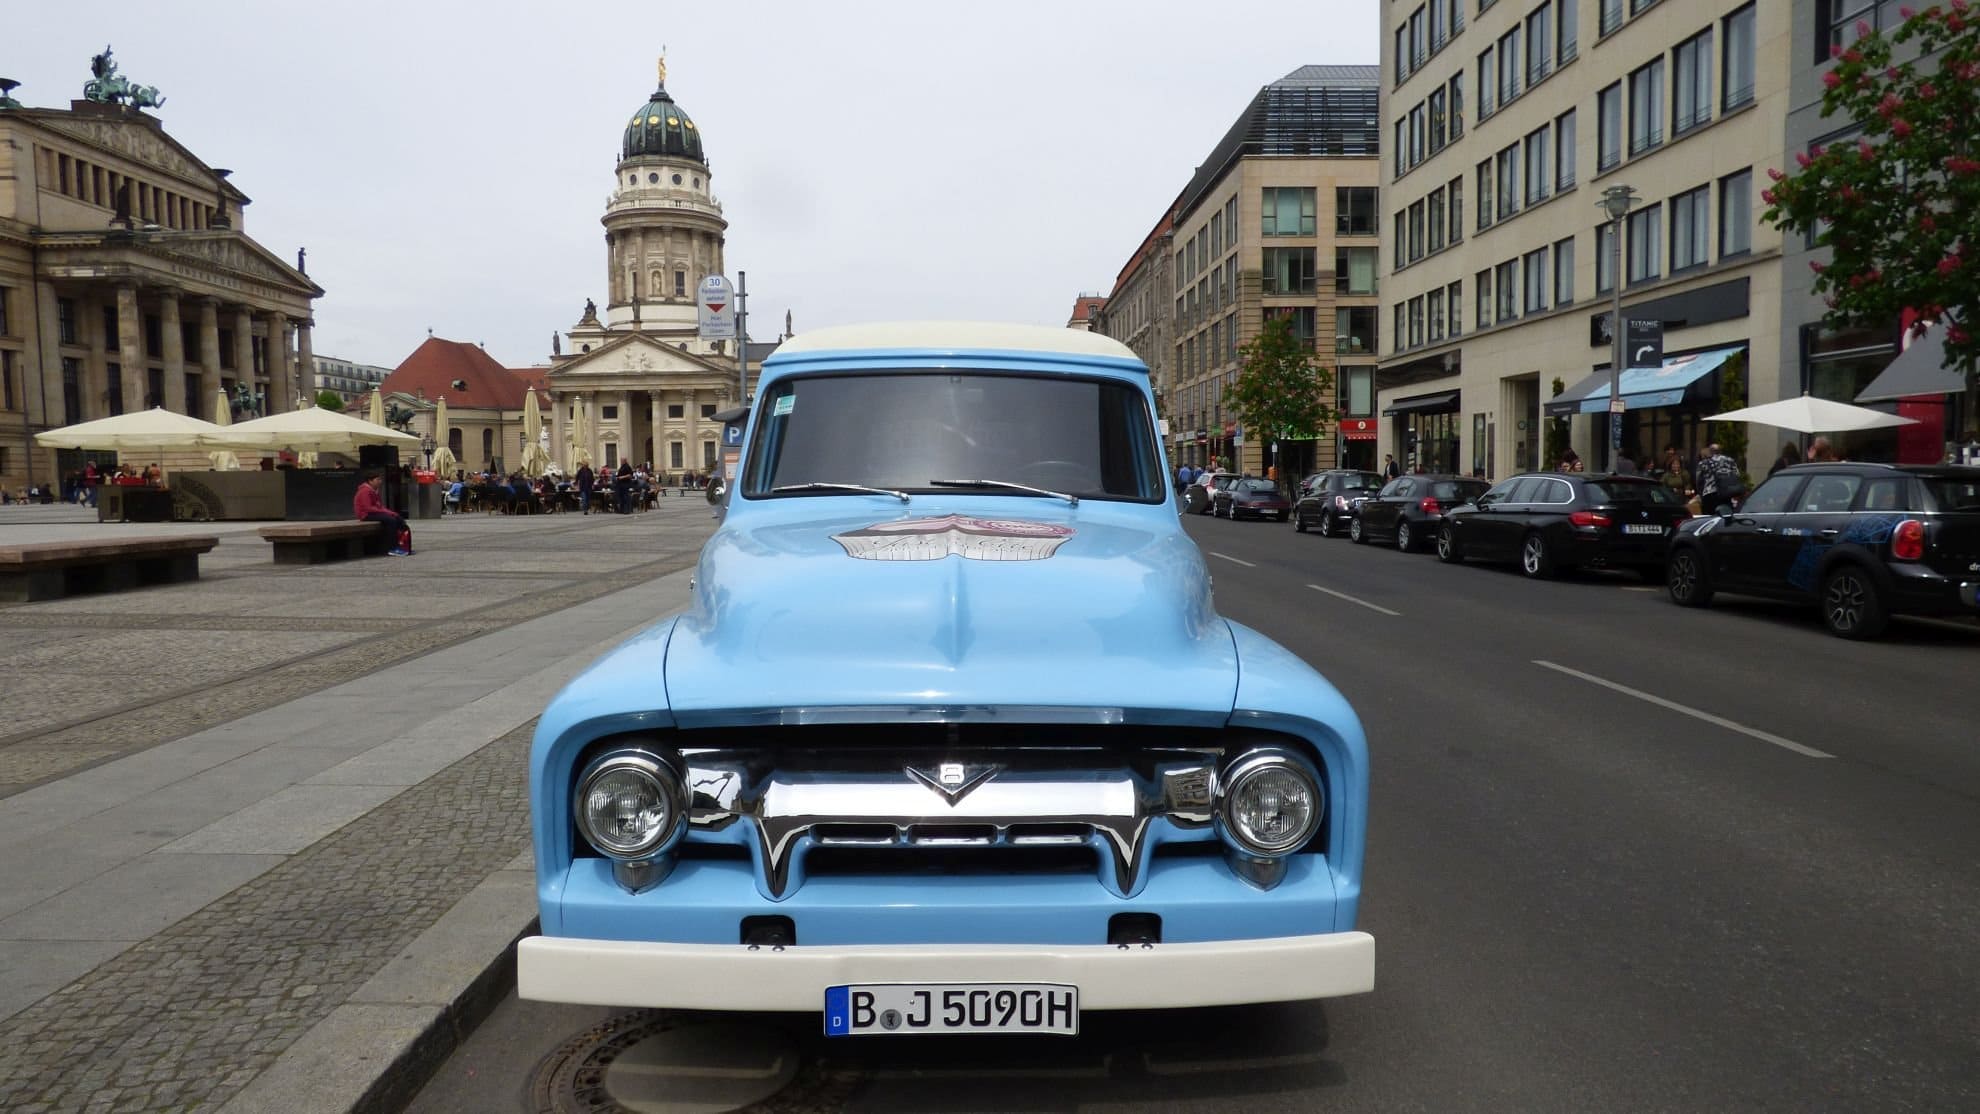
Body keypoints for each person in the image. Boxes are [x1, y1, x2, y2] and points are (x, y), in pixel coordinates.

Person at [354, 470, 412, 556]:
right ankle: (392, 548)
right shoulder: (365, 491)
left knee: (398, 519)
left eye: (380, 479)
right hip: (366, 514)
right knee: (391, 520)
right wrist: (387, 513)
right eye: (377, 479)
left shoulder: (374, 490)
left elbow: (380, 506)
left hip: (373, 513)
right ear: (370, 481)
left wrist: (391, 513)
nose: (380, 481)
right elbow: (368, 508)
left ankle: (404, 547)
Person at [1695, 443, 1744, 514]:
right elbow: (1737, 475)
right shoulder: (1730, 460)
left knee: (1709, 516)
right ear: (1720, 451)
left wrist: (1700, 493)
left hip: (1709, 494)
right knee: (1726, 515)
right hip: (1725, 493)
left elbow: (1698, 480)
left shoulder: (1703, 463)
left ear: (1710, 451)